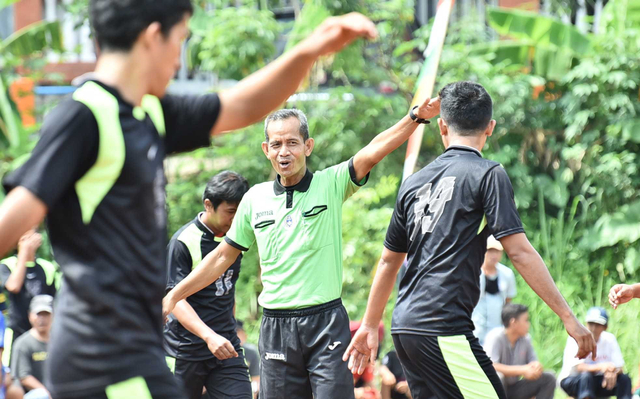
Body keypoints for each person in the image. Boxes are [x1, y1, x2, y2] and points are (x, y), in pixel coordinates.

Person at [0, 0, 378, 397]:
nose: (179, 59)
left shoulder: (150, 115)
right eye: (180, 40)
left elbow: (242, 104)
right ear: (152, 37)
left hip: (136, 349)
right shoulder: (84, 117)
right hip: (100, 353)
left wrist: (308, 50)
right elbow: (11, 222)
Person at [163, 95, 443, 399]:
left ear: (307, 146)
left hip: (325, 323)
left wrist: (415, 117)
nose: (284, 151)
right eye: (276, 144)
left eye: (292, 143)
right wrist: (174, 295)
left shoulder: (331, 183)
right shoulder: (254, 200)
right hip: (275, 328)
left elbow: (373, 151)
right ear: (266, 150)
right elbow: (221, 257)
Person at [343, 81, 595, 399]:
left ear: (442, 126)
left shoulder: (413, 183)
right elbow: (519, 252)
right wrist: (568, 318)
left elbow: (389, 260)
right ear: (490, 127)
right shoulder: (488, 174)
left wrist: (369, 325)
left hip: (405, 328)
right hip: (443, 326)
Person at [164, 171, 251, 399]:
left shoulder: (236, 238)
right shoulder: (183, 242)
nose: (235, 219)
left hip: (225, 348)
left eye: (240, 212)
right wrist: (208, 336)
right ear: (208, 205)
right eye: (230, 212)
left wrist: (229, 330)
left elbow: (228, 289)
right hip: (185, 351)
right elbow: (174, 299)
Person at [0, 230, 58, 365]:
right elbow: (13, 286)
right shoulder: (6, 265)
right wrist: (24, 253)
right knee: (12, 374)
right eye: (24, 238)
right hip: (15, 329)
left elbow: (53, 302)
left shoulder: (47, 267)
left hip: (42, 331)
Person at [484, 303, 555, 399]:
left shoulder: (526, 339)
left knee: (548, 378)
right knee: (499, 377)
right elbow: (491, 366)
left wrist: (536, 366)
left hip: (514, 388)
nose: (528, 324)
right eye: (526, 320)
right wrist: (522, 370)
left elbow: (533, 360)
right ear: (513, 322)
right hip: (494, 390)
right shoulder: (495, 337)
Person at [559, 307, 632, 399]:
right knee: (586, 376)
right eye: (591, 323)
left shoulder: (609, 339)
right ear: (586, 323)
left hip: (600, 381)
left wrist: (612, 372)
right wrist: (602, 367)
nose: (593, 328)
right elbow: (579, 367)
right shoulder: (576, 338)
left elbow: (619, 367)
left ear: (605, 327)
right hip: (574, 380)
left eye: (598, 324)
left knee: (624, 379)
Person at [472, 236, 517, 345]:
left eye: (497, 252)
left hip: (497, 326)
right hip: (475, 326)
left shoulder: (507, 274)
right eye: (490, 251)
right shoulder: (474, 272)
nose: (494, 255)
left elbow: (508, 301)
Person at [11, 295, 54, 399]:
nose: (42, 319)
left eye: (46, 314)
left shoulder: (60, 341)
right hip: (33, 394)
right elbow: (24, 377)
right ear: (30, 316)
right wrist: (48, 393)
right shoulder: (23, 343)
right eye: (38, 314)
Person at [235, 320, 260, 398]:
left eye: (239, 333)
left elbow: (256, 379)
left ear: (244, 335)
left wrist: (254, 394)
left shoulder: (251, 352)